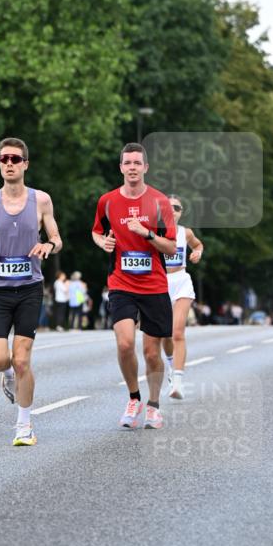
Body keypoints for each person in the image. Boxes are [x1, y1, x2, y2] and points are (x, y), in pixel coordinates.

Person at [0, 137, 62, 447]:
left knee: (22, 359)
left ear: (25, 164)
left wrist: (48, 245)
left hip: (29, 289)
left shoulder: (41, 200)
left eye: (15, 158)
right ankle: (7, 373)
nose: (9, 163)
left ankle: (24, 426)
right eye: (4, 159)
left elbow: (56, 237)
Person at [91, 142, 176, 430]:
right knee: (125, 343)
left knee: (152, 352)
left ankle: (153, 406)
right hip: (121, 282)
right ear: (121, 168)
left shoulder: (160, 202)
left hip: (153, 285)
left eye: (137, 163)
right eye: (127, 163)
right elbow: (96, 231)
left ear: (145, 168)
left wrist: (147, 233)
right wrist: (103, 242)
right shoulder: (108, 201)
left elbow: (170, 246)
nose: (132, 168)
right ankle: (133, 397)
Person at [160, 195, 204, 399]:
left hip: (181, 282)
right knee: (165, 335)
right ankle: (171, 364)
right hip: (159, 284)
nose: (172, 210)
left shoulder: (185, 233)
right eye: (168, 207)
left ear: (180, 212)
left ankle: (177, 382)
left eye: (176, 208)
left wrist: (197, 253)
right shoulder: (154, 232)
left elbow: (198, 245)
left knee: (178, 332)